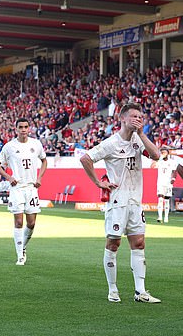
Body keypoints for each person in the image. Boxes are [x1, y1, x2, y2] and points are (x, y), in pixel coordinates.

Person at [80, 102, 161, 304]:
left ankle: (140, 292)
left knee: (139, 243)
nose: (137, 119)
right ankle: (113, 289)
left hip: (135, 201)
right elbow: (85, 158)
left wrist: (142, 133)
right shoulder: (111, 143)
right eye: (134, 116)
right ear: (122, 118)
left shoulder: (139, 140)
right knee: (113, 243)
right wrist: (99, 182)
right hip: (117, 202)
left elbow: (156, 155)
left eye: (140, 117)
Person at [0, 118, 47, 266]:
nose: (23, 129)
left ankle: (22, 246)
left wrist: (40, 177)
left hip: (31, 188)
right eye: (20, 127)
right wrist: (8, 177)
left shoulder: (36, 144)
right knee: (18, 221)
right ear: (16, 129)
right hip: (17, 189)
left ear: (29, 128)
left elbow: (44, 160)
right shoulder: (9, 147)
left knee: (31, 223)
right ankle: (20, 256)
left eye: (25, 127)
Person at [155, 146, 177, 224]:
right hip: (160, 183)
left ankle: (166, 217)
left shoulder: (172, 162)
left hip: (168, 183)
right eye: (162, 152)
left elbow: (174, 171)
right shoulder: (159, 161)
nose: (163, 154)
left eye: (164, 152)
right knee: (160, 199)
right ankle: (160, 216)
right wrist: (160, 158)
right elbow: (153, 165)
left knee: (167, 200)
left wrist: (173, 179)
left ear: (168, 153)